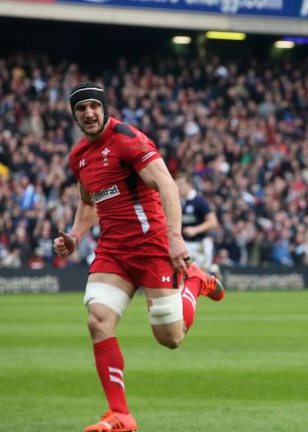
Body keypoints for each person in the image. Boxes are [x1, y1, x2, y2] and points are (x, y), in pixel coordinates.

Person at [53, 82, 225, 432]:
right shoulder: (78, 157)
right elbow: (89, 203)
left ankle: (195, 281)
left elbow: (167, 184)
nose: (88, 113)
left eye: (93, 106)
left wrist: (175, 238)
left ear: (104, 108)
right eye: (80, 108)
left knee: (171, 338)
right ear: (74, 115)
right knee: (97, 320)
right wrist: (75, 236)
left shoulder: (128, 139)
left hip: (152, 247)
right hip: (114, 251)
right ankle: (120, 415)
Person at [175, 174, 219, 273]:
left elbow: (213, 222)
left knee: (200, 276)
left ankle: (213, 273)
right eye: (176, 184)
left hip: (200, 243)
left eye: (181, 184)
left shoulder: (199, 201)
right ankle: (213, 270)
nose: (178, 188)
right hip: (184, 244)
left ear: (189, 185)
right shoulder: (178, 202)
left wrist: (195, 230)